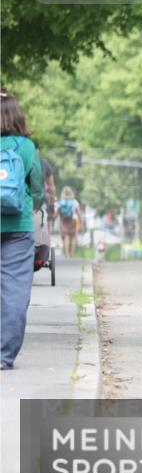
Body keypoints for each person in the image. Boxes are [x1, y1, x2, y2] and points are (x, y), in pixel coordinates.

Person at [1, 87, 45, 370]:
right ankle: (4, 356)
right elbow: (38, 189)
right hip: (18, 226)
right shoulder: (27, 147)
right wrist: (32, 204)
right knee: (15, 290)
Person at [57, 186, 82, 258]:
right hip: (73, 220)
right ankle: (72, 253)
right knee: (73, 237)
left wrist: (53, 219)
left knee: (66, 237)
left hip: (64, 220)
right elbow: (79, 213)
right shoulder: (74, 202)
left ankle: (67, 253)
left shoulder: (61, 201)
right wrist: (81, 221)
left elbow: (57, 212)